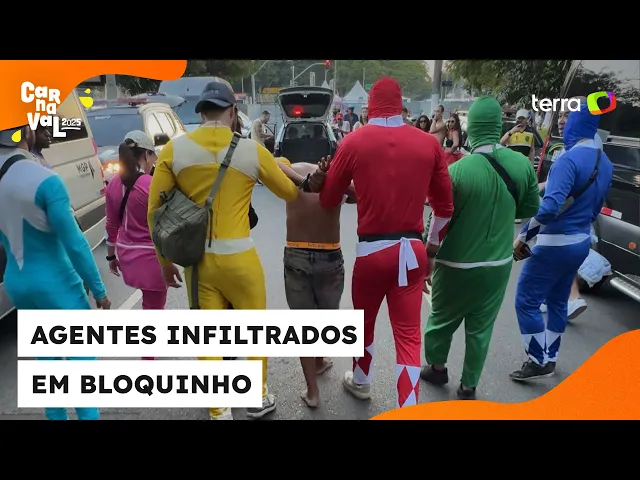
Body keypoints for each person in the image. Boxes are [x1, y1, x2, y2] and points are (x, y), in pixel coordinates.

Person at [147, 77, 300, 420]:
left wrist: (164, 261)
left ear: (201, 113)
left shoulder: (173, 151)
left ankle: (219, 409)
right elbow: (290, 193)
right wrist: (282, 165)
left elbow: (154, 212)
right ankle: (257, 398)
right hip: (241, 259)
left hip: (198, 263)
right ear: (232, 112)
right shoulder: (252, 151)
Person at [308, 77, 454, 409]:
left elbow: (328, 200)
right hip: (413, 251)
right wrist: (431, 250)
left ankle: (361, 381)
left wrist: (350, 190)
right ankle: (408, 407)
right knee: (409, 336)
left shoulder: (353, 142)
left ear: (369, 105)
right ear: (401, 106)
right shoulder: (428, 144)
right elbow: (445, 209)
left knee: (364, 324)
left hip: (372, 253)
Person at [420, 96, 541, 399]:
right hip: (497, 265)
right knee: (481, 328)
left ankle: (437, 367)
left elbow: (439, 218)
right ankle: (468, 386)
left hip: (455, 264)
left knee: (441, 320)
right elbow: (529, 208)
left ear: (471, 128)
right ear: (498, 126)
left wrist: (429, 255)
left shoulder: (458, 171)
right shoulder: (521, 165)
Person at [0, 124, 110, 421]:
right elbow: (75, 243)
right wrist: (98, 289)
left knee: (47, 361)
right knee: (81, 364)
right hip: (57, 283)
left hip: (17, 282)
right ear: (25, 132)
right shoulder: (45, 179)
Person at [511, 100, 613, 381]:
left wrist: (523, 236)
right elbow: (596, 208)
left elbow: (550, 208)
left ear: (576, 123)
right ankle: (550, 357)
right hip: (580, 243)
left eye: (568, 117)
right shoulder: (604, 162)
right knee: (557, 301)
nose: (561, 122)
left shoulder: (567, 160)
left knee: (526, 302)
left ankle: (537, 360)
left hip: (554, 244)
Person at [274, 157, 356, 408]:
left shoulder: (289, 170)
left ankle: (312, 391)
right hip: (329, 257)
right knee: (324, 319)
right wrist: (314, 181)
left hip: (297, 253)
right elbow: (361, 194)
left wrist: (313, 181)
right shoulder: (337, 178)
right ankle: (319, 360)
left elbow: (269, 162)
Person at [105, 131, 170, 363]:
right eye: (153, 156)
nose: (154, 162)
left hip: (127, 255)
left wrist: (110, 257)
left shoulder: (113, 184)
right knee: (154, 309)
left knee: (148, 303)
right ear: (145, 155)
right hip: (151, 258)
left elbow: (111, 223)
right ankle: (148, 359)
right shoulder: (149, 185)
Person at [538, 103, 589, 319]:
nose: (560, 121)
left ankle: (572, 298)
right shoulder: (574, 148)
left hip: (563, 213)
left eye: (567, 116)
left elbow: (563, 188)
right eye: (559, 115)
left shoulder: (578, 152)